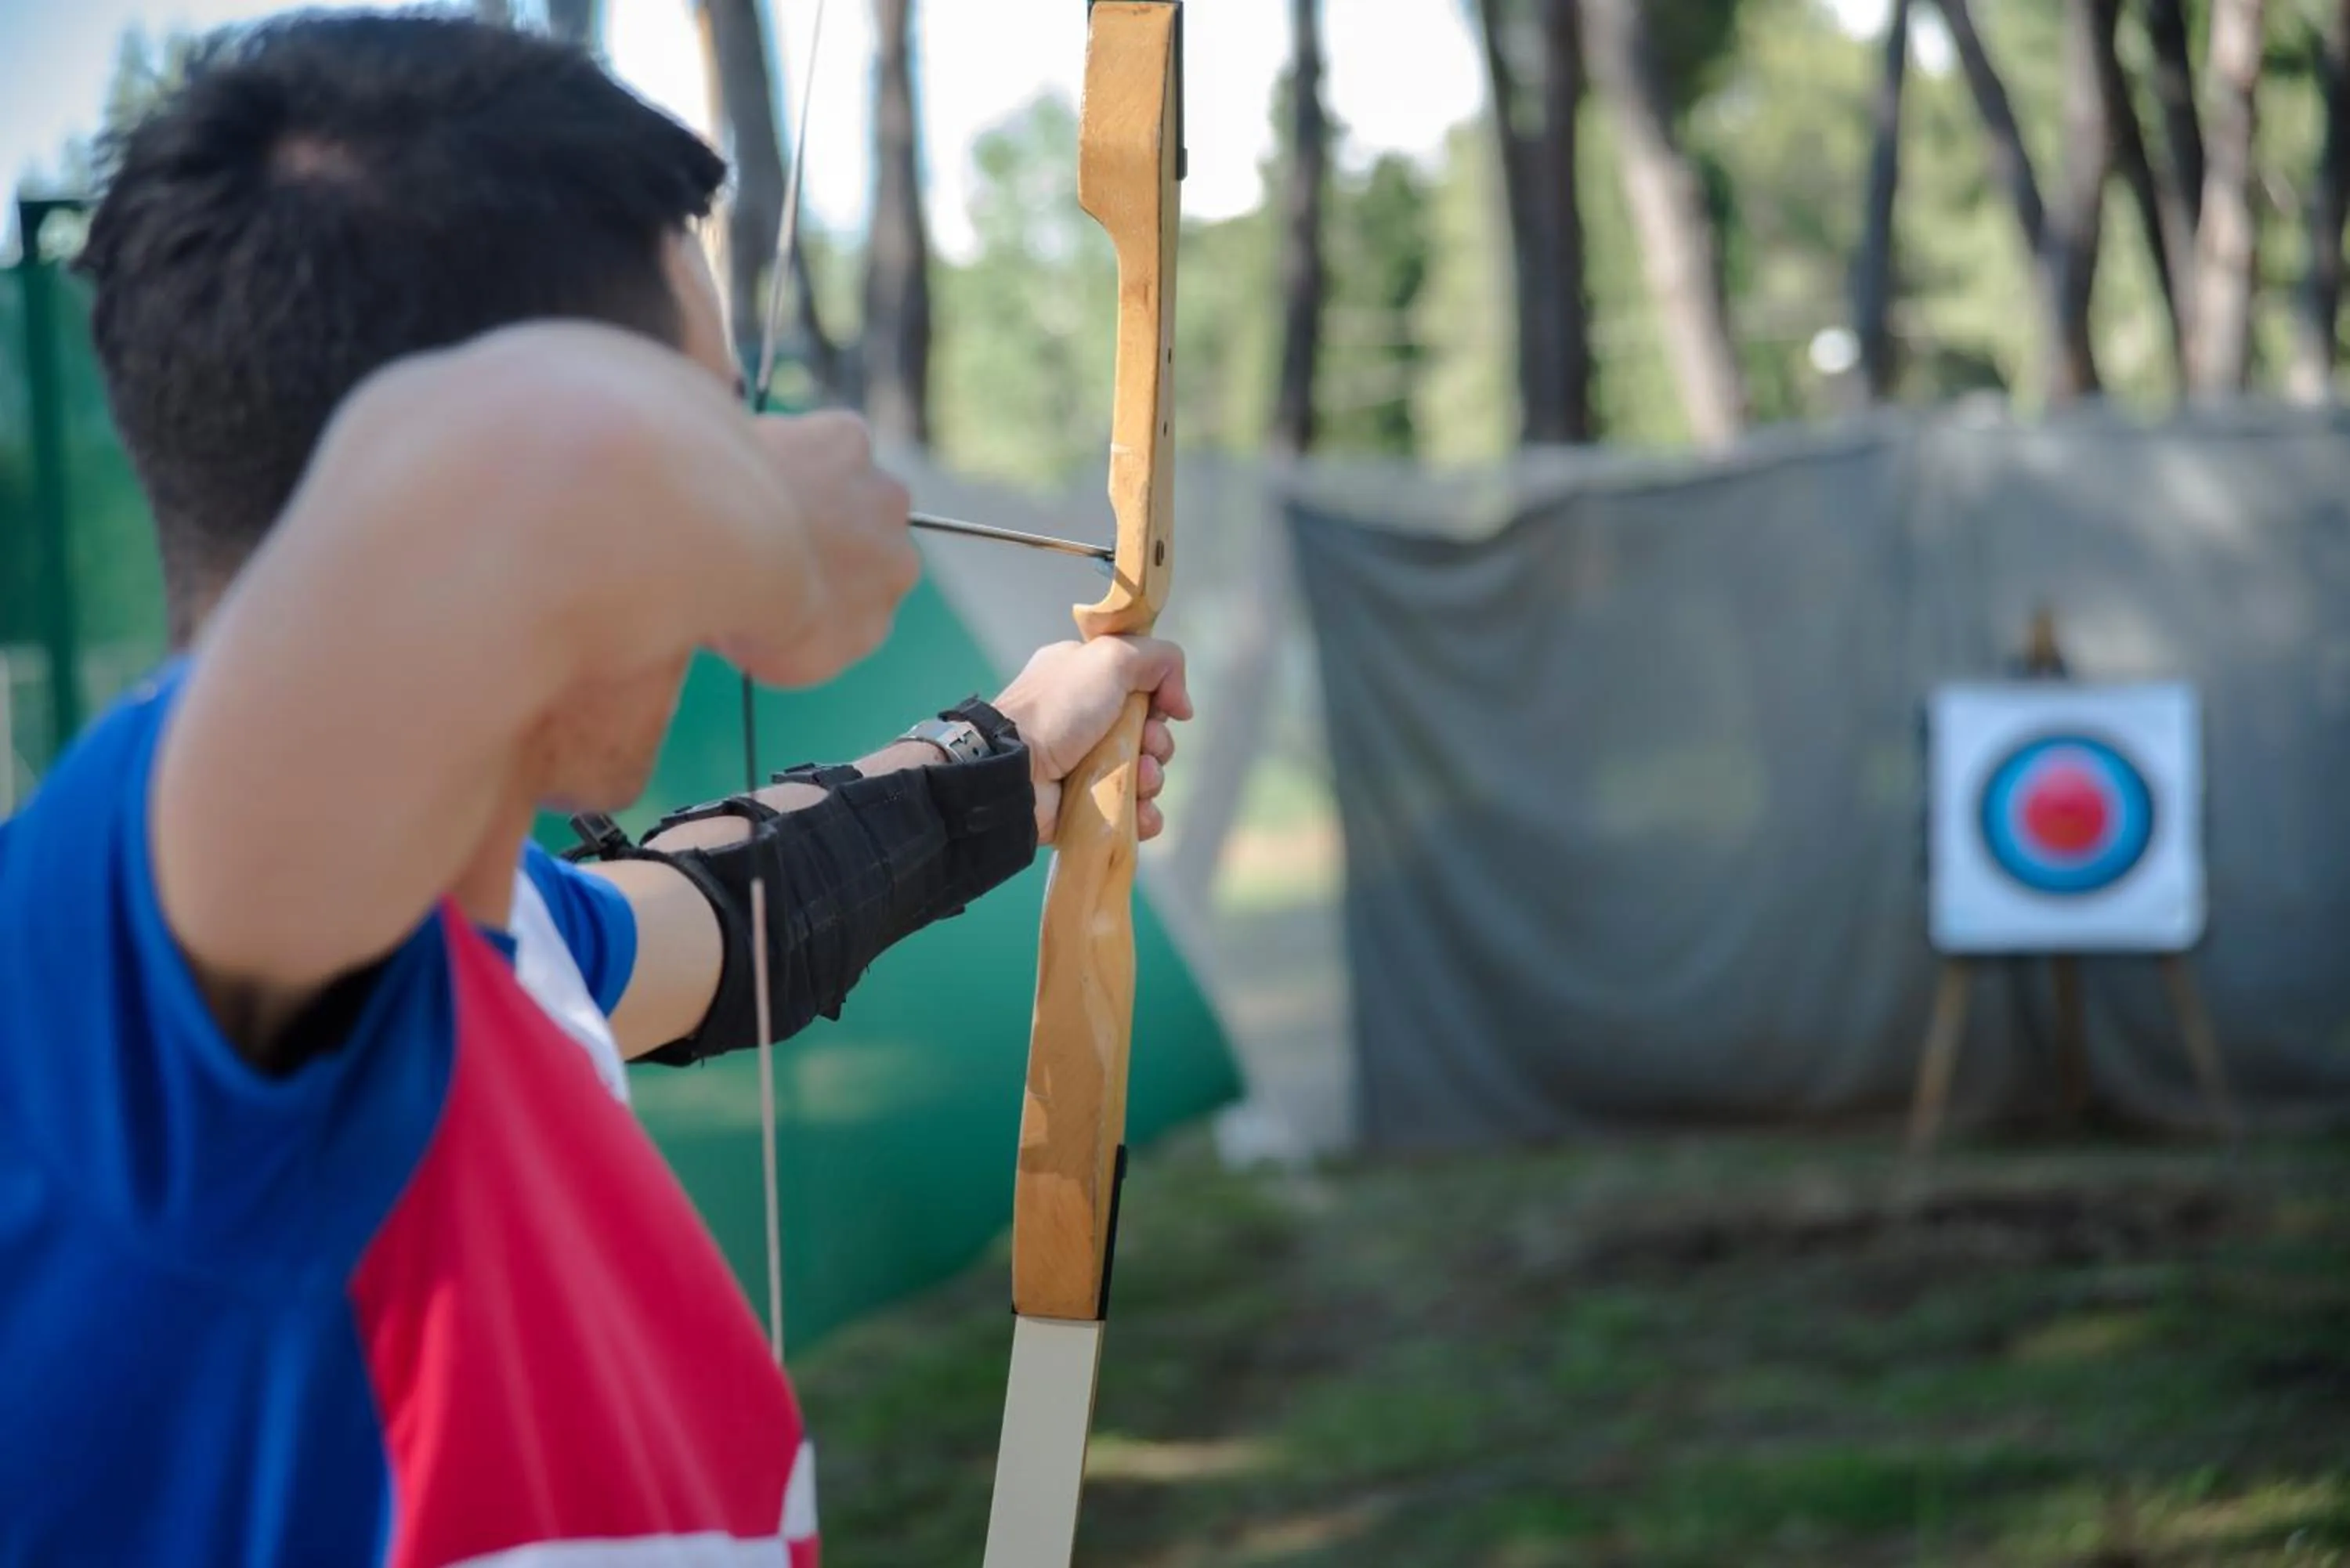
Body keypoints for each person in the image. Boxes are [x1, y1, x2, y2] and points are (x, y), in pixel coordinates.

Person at [0, 13, 1191, 1566]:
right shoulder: (136, 976)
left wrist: (1019, 749)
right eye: (696, 421)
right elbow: (468, 463)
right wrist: (760, 514)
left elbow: (730, 911)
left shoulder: (491, 945)